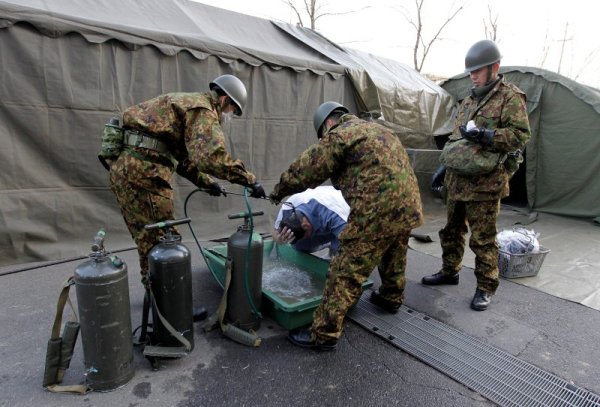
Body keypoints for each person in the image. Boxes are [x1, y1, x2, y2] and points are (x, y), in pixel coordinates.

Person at [269, 101, 423, 351]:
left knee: (344, 270)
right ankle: (391, 297)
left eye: (322, 135)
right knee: (394, 250)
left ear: (327, 123)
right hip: (409, 204)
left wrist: (278, 191)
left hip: (375, 209)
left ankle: (323, 333)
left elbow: (307, 170)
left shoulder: (339, 135)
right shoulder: (380, 130)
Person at [99, 74, 266, 280]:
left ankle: (163, 303)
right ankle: (169, 308)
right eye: (232, 110)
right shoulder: (203, 110)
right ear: (224, 100)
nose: (229, 115)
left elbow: (184, 160)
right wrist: (249, 180)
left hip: (130, 170)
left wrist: (208, 184)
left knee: (151, 241)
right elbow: (209, 158)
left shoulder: (186, 102)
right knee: (163, 244)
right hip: (143, 174)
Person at [423, 40, 531, 311]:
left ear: (494, 67)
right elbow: (455, 137)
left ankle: (485, 287)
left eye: (478, 69)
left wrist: (487, 135)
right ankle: (450, 271)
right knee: (451, 230)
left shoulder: (510, 97)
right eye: (470, 70)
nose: (473, 74)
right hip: (457, 180)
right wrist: (443, 165)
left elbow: (520, 136)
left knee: (483, 238)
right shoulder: (469, 99)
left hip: (485, 183)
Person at [272, 185, 349, 256]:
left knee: (342, 253)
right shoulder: (287, 208)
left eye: (307, 234)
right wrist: (279, 239)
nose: (307, 236)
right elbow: (275, 233)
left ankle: (333, 244)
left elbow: (353, 244)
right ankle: (327, 243)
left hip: (341, 212)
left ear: (306, 226)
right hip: (319, 203)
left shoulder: (334, 216)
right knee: (298, 245)